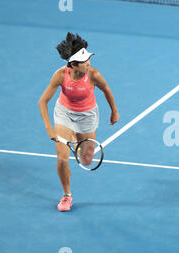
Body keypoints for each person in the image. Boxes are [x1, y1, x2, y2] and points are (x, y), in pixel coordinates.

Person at [38, 32, 119, 212]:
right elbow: (42, 101)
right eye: (84, 62)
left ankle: (75, 137)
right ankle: (67, 195)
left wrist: (114, 111)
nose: (88, 63)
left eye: (89, 59)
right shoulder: (60, 75)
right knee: (62, 158)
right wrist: (49, 129)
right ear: (73, 64)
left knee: (86, 160)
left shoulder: (94, 75)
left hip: (87, 116)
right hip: (64, 114)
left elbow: (106, 90)